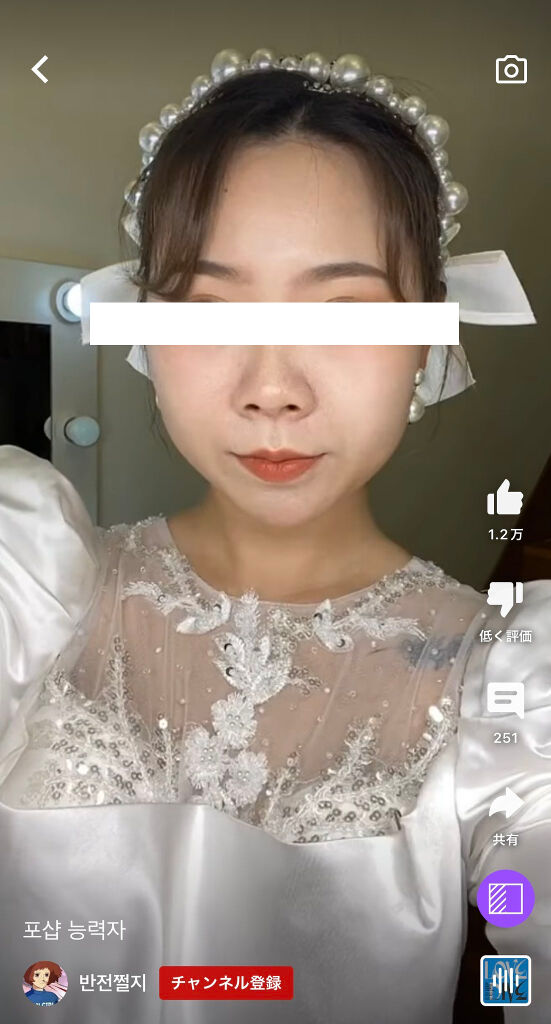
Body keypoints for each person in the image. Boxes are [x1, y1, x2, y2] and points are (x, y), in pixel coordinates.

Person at [0, 47, 547, 1024]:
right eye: (209, 314)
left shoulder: (506, 681)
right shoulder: (24, 584)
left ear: (428, 335)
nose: (271, 388)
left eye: (345, 316)